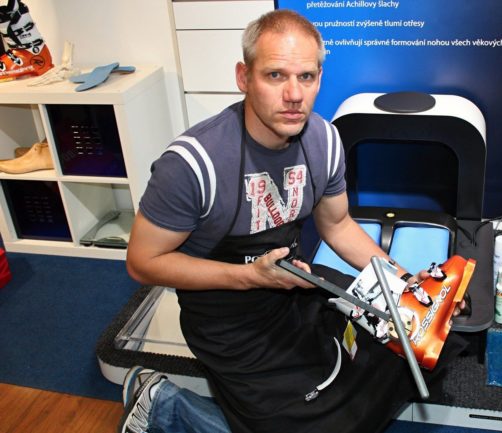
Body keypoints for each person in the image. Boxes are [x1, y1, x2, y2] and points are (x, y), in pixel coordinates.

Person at [120, 8, 466, 433]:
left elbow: (338, 226)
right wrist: (249, 277)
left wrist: (408, 287)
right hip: (225, 316)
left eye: (306, 77)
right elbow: (142, 263)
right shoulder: (193, 164)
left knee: (408, 351)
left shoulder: (324, 140)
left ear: (320, 78)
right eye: (275, 76)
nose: (294, 95)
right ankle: (164, 406)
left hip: (294, 287)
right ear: (244, 78)